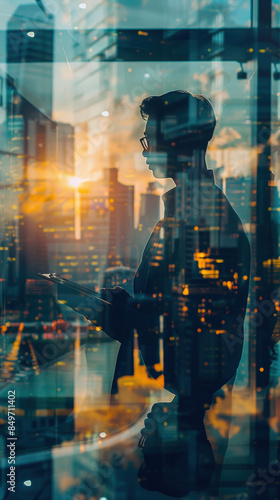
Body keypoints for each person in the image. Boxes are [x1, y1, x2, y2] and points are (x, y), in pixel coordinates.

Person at [93, 91, 251, 496]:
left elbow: (194, 330)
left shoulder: (199, 221)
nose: (144, 152)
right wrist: (128, 310)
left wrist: (120, 315)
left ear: (178, 141)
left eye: (150, 141)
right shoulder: (191, 214)